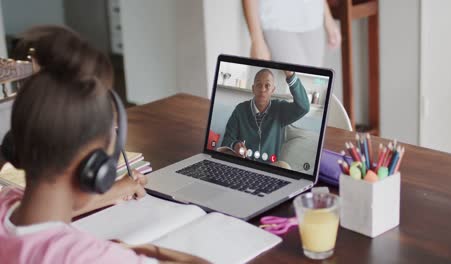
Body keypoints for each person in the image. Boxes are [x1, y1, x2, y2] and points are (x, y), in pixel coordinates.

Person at [0, 25, 208, 264]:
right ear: (95, 169)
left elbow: (42, 223)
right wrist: (140, 250)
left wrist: (117, 191)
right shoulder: (85, 257)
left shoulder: (7, 202)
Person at [221, 69, 309, 163]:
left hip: (270, 167)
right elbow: (226, 141)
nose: (262, 89)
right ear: (253, 88)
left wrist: (291, 76)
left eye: (267, 86)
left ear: (273, 90)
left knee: (283, 166)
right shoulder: (240, 110)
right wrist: (235, 145)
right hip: (244, 164)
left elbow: (304, 107)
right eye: (259, 85)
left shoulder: (280, 109)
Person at [242, 0, 341, 66]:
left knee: (314, 88)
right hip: (276, 21)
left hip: (313, 20)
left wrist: (328, 17)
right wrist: (257, 40)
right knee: (295, 86)